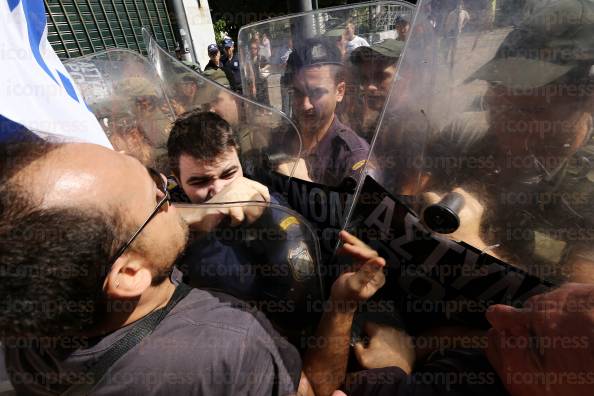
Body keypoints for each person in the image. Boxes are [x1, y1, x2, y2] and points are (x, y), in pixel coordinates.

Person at [0, 136, 385, 396]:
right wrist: (342, 304)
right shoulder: (230, 344)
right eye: (159, 197)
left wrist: (205, 211)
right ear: (129, 273)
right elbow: (315, 389)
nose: (167, 191)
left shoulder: (27, 329)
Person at [426, 0, 594, 284]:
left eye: (528, 111)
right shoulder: (468, 138)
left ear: (587, 99)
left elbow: (574, 319)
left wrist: (472, 250)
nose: (503, 127)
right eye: (497, 104)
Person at [283, 37, 371, 186]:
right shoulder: (283, 138)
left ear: (340, 91)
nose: (305, 105)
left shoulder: (353, 157)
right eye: (297, 92)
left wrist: (303, 184)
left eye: (316, 93)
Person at [346, 39, 405, 141]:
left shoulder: (417, 130)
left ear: (407, 76)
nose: (370, 87)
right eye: (364, 78)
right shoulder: (372, 121)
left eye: (380, 76)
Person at [249, 38, 271, 106]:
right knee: (259, 97)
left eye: (254, 48)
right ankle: (262, 110)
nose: (253, 50)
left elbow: (269, 64)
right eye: (251, 48)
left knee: (265, 96)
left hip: (262, 80)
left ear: (257, 49)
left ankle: (267, 109)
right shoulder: (250, 59)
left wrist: (263, 69)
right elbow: (251, 72)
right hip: (256, 81)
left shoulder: (261, 57)